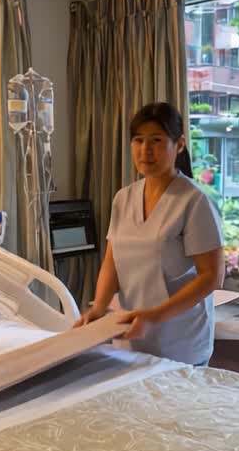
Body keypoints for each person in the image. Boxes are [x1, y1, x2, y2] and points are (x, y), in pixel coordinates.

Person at [73, 102, 224, 365]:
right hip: (131, 333)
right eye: (138, 140)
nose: (145, 150)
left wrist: (155, 315)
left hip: (181, 342)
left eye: (156, 140)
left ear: (179, 145)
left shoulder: (194, 201)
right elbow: (112, 262)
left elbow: (211, 277)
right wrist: (98, 308)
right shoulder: (124, 198)